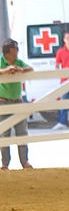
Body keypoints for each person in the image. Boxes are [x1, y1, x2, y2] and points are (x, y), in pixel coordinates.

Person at [0, 39, 33, 169]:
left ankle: (24, 161)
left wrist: (20, 69)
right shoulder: (1, 62)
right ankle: (5, 163)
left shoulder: (18, 62)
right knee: (4, 133)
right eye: (14, 52)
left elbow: (30, 68)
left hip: (17, 100)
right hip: (3, 101)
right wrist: (5, 71)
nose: (16, 54)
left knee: (22, 132)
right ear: (7, 53)